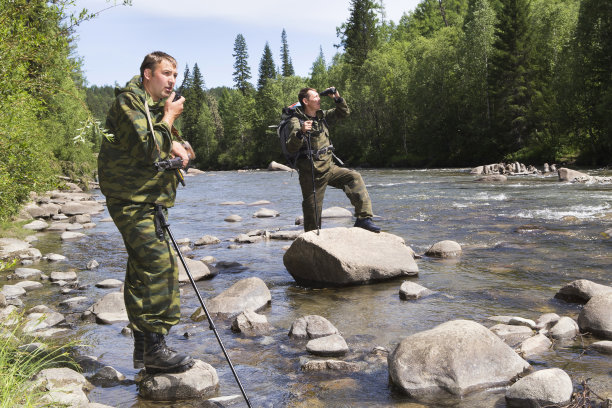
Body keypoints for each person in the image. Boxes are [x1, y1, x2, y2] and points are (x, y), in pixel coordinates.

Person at [97, 51, 194, 374]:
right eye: (166, 73)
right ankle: (155, 348)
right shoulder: (129, 102)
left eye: (175, 75)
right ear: (147, 74)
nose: (172, 80)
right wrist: (169, 118)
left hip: (147, 200)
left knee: (142, 270)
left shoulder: (151, 108)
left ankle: (143, 351)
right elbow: (149, 147)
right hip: (130, 200)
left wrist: (180, 147)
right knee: (159, 266)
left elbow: (164, 146)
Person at [286, 87, 380, 233]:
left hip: (329, 167)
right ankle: (311, 245)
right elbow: (291, 147)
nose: (319, 99)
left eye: (319, 96)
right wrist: (301, 132)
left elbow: (344, 113)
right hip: (311, 174)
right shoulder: (295, 121)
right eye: (315, 97)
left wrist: (337, 98)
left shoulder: (322, 115)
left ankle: (363, 219)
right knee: (312, 216)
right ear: (305, 101)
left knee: (353, 177)